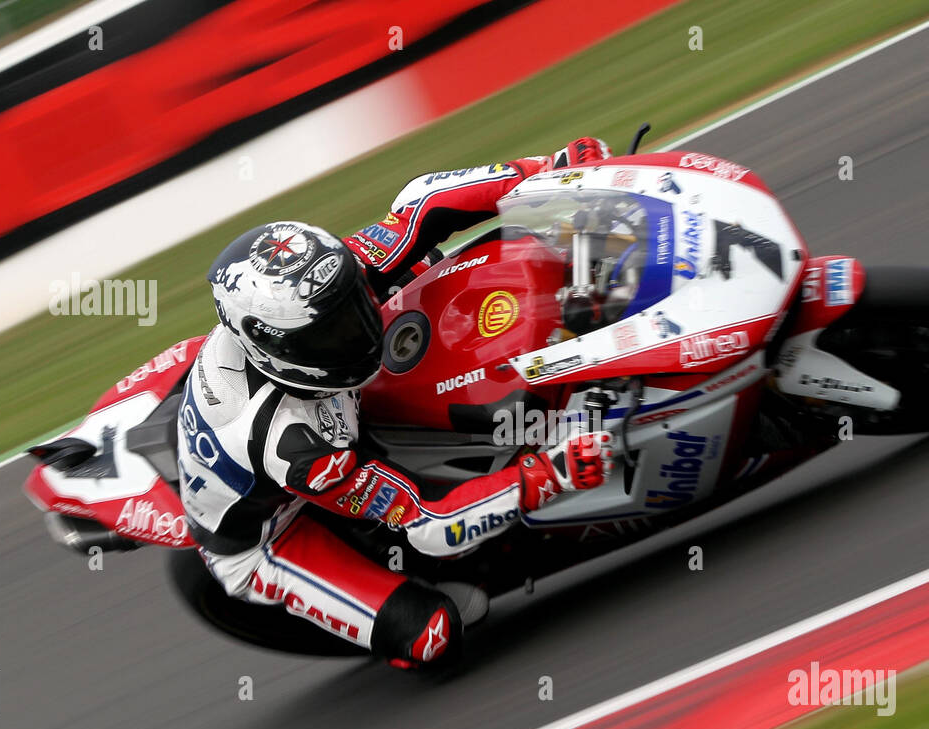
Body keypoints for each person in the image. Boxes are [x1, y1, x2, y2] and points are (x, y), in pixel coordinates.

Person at [176, 138, 615, 667]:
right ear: (283, 348)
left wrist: (547, 172)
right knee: (432, 633)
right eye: (333, 333)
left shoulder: (319, 289)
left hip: (322, 409)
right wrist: (549, 474)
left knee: (424, 260)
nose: (359, 330)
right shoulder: (300, 447)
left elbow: (423, 204)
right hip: (274, 536)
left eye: (353, 306)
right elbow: (431, 525)